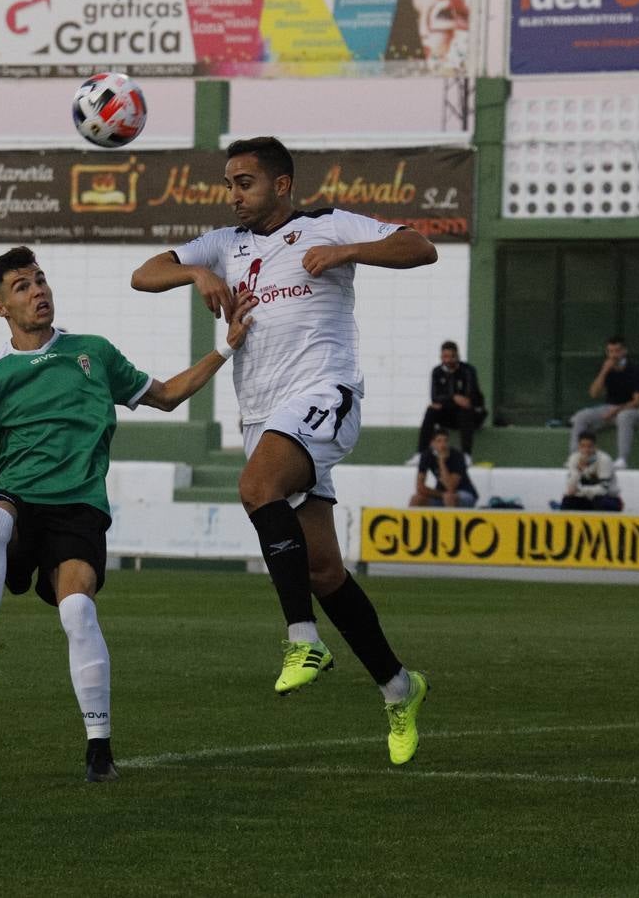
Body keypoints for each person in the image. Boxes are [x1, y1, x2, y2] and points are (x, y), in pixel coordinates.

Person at [130, 136, 438, 765]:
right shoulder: (224, 243)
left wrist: (349, 251)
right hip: (262, 412)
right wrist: (195, 270)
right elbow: (142, 275)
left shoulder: (328, 224)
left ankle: (304, 640)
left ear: (282, 184)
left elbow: (420, 246)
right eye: (229, 183)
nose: (233, 194)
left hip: (324, 391)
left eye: (244, 182)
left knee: (254, 487)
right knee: (323, 569)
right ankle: (400, 688)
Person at [0, 246, 255, 783]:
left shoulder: (93, 352)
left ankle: (99, 749)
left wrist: (226, 349)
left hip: (79, 512)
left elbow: (164, 396)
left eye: (40, 280)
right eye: (22, 286)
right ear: (2, 308)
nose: (38, 291)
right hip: (20, 501)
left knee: (77, 613)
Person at [569, 336, 639, 470]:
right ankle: (575, 457)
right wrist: (604, 371)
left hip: (631, 411)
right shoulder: (605, 368)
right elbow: (594, 393)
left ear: (624, 351)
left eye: (617, 351)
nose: (614, 355)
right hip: (608, 408)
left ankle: (622, 459)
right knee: (581, 416)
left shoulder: (635, 370)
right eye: (610, 351)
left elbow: (637, 401)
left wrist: (616, 411)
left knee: (624, 416)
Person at [409, 340, 484, 464]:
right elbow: (435, 398)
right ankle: (421, 453)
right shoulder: (437, 372)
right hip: (449, 413)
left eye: (451, 357)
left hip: (469, 415)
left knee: (465, 411)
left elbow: (468, 399)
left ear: (457, 356)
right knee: (431, 410)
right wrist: (454, 398)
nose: (448, 360)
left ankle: (466, 455)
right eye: (445, 357)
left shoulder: (468, 371)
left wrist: (446, 401)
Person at [409, 427, 477, 508]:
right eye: (439, 441)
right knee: (416, 499)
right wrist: (441, 494)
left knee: (449, 497)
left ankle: (450, 520)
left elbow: (451, 487)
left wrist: (441, 462)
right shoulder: (426, 455)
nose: (443, 444)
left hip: (465, 493)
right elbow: (420, 487)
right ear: (432, 443)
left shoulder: (457, 456)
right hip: (443, 494)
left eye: (445, 441)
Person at [557, 431, 623, 511]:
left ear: (595, 446)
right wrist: (578, 470)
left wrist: (580, 491)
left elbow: (603, 489)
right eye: (583, 446)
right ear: (579, 447)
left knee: (600, 502)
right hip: (586, 498)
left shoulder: (604, 460)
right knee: (567, 501)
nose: (586, 450)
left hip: (609, 498)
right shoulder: (574, 459)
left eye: (590, 446)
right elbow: (571, 488)